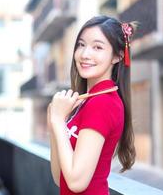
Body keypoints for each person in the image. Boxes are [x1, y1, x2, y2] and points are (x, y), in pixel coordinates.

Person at [47, 15, 137, 194]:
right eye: (81, 44)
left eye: (97, 47)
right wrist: (54, 126)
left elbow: (76, 183)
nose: (85, 54)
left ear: (118, 56)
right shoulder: (87, 101)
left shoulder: (103, 103)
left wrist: (58, 121)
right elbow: (60, 178)